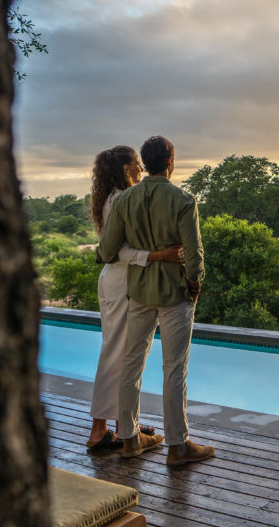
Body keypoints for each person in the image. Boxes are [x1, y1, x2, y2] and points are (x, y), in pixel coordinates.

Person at [97, 135, 215, 466]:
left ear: (146, 164)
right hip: (174, 294)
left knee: (131, 365)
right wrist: (195, 283)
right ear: (170, 161)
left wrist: (142, 255)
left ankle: (130, 440)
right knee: (174, 368)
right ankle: (178, 445)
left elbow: (106, 251)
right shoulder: (183, 200)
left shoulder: (124, 200)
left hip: (138, 293)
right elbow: (194, 253)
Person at [86, 146, 184, 449]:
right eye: (136, 165)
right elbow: (117, 252)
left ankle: (124, 425)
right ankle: (99, 430)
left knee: (125, 354)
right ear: (125, 169)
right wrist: (160, 255)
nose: (140, 169)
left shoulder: (116, 197)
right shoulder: (118, 199)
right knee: (117, 353)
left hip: (120, 281)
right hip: (121, 281)